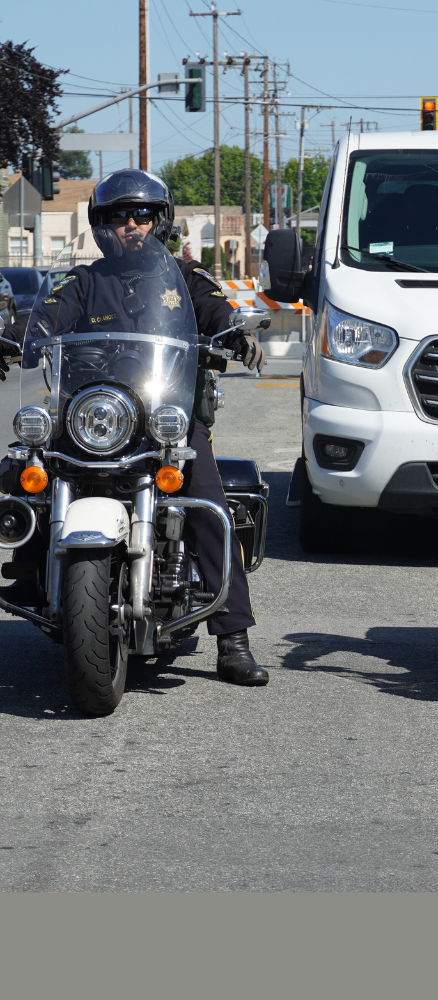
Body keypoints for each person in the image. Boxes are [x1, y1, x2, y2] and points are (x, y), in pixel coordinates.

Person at [3, 169, 269, 687]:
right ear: (102, 227)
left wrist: (235, 333)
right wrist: (11, 338)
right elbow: (43, 320)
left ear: (159, 221)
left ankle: (232, 637)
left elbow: (217, 312)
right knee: (24, 468)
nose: (132, 225)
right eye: (119, 217)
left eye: (142, 214)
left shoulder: (185, 279)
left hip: (162, 421)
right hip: (92, 416)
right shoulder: (83, 282)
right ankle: (30, 570)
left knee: (207, 505)